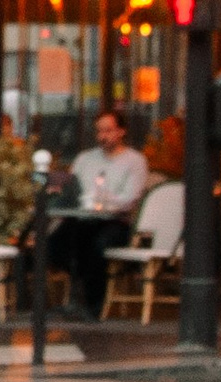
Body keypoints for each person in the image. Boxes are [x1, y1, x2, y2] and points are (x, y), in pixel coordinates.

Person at [47, 107, 150, 318]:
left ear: (121, 131)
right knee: (55, 243)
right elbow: (71, 187)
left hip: (116, 221)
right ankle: (76, 295)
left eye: (108, 130)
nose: (103, 136)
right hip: (83, 218)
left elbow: (130, 197)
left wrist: (103, 201)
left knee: (98, 246)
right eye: (99, 131)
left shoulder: (134, 161)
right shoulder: (85, 159)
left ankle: (93, 305)